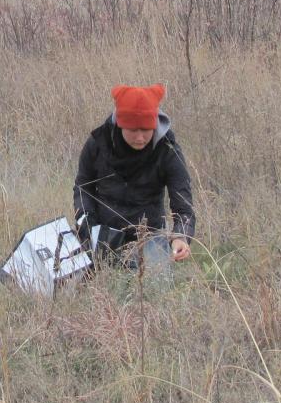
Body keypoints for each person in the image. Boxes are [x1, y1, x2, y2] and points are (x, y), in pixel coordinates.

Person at [73, 83, 194, 266]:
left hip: (150, 233)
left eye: (146, 130)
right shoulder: (98, 142)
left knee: (155, 290)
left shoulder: (168, 149)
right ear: (120, 125)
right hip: (102, 230)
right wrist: (86, 222)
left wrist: (180, 237)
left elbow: (183, 205)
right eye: (132, 130)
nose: (140, 137)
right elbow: (83, 186)